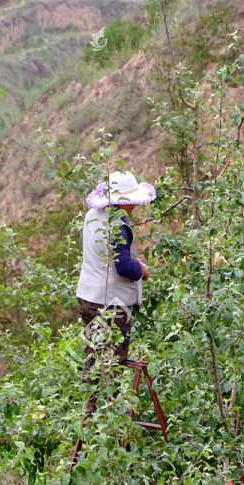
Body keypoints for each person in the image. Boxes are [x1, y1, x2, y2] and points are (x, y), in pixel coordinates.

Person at [76, 171, 156, 414]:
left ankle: (87, 418)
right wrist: (140, 268)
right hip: (112, 304)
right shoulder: (116, 225)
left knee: (92, 358)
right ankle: (112, 423)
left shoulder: (93, 216)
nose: (134, 206)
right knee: (112, 363)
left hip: (88, 297)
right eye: (131, 201)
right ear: (121, 201)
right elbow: (122, 267)